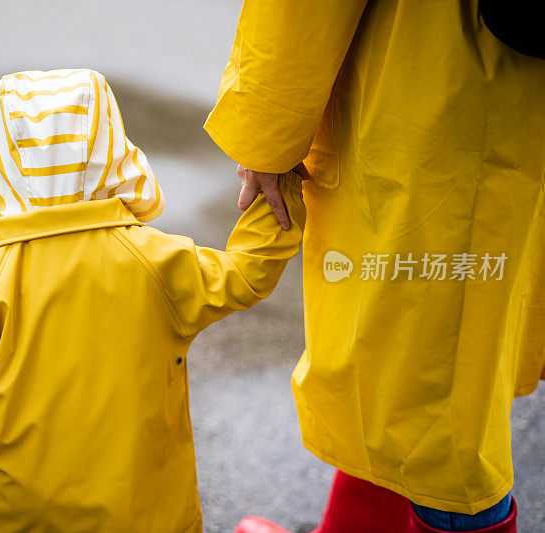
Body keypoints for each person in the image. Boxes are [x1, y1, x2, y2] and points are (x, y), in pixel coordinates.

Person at [0, 68, 306, 533]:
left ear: (0, 160)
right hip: (138, 516)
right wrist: (282, 189)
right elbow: (245, 274)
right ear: (110, 149)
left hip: (8, 515)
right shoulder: (152, 260)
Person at [204, 1, 545, 532]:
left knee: (434, 409)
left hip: (431, 86)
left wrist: (267, 133)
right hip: (515, 93)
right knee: (421, 365)